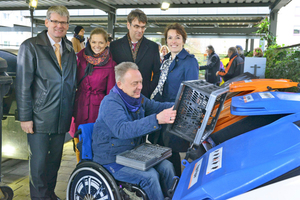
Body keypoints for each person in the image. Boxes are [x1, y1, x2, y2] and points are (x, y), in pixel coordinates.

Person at [16, 6, 77, 200]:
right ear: (47, 22)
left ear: (68, 25)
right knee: (39, 163)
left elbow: (71, 83)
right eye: (55, 21)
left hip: (61, 115)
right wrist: (25, 117)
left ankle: (49, 195)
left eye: (63, 22)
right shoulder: (31, 46)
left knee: (54, 162)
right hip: (39, 115)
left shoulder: (68, 49)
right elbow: (23, 86)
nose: (59, 26)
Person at [92, 62, 176, 200]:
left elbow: (157, 107)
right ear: (120, 84)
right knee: (150, 177)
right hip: (112, 159)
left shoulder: (137, 98)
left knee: (167, 166)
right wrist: (156, 120)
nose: (140, 87)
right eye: (134, 83)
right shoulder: (110, 103)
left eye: (141, 82)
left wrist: (178, 106)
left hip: (133, 153)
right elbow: (123, 130)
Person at [149, 23, 199, 177]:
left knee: (172, 154)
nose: (173, 41)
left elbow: (191, 94)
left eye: (178, 37)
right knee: (161, 151)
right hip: (161, 111)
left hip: (176, 114)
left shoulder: (189, 61)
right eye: (170, 38)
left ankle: (174, 188)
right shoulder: (166, 60)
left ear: (183, 40)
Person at [72, 28, 116, 162]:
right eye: (94, 42)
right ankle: (80, 167)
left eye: (101, 43)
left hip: (98, 109)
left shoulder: (110, 64)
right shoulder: (79, 57)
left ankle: (94, 169)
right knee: (80, 140)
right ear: (89, 41)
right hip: (80, 105)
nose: (97, 46)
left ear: (107, 43)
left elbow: (110, 93)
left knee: (95, 141)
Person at [109, 9, 160, 98]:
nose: (140, 30)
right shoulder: (115, 46)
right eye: (136, 26)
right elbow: (111, 72)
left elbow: (157, 73)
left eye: (143, 27)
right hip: (121, 95)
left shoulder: (153, 47)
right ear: (128, 25)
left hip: (143, 95)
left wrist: (148, 89)